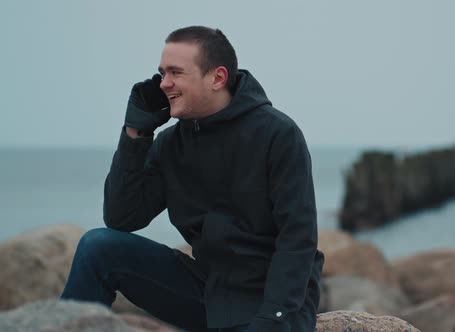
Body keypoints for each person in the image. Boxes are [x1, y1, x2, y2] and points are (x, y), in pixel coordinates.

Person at [61, 25, 324, 332]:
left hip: (269, 303)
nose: (164, 84)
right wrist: (136, 133)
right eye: (162, 73)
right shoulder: (171, 143)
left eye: (175, 73)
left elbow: (298, 241)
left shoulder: (277, 134)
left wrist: (272, 320)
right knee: (98, 248)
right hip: (208, 292)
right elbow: (122, 217)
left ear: (217, 78)